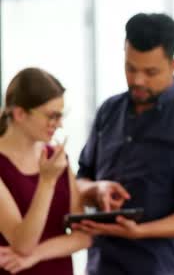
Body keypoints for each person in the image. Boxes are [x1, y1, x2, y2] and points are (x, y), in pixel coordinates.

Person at [74, 13, 174, 275]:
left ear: (173, 65)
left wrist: (140, 232)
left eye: (150, 72)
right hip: (100, 265)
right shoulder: (108, 111)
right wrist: (97, 188)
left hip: (157, 267)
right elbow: (80, 179)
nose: (138, 80)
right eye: (130, 68)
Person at [0, 67, 91, 274]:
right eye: (52, 116)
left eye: (61, 116)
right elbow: (22, 244)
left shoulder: (57, 158)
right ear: (20, 113)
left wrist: (36, 255)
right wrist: (47, 182)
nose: (58, 124)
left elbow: (83, 236)